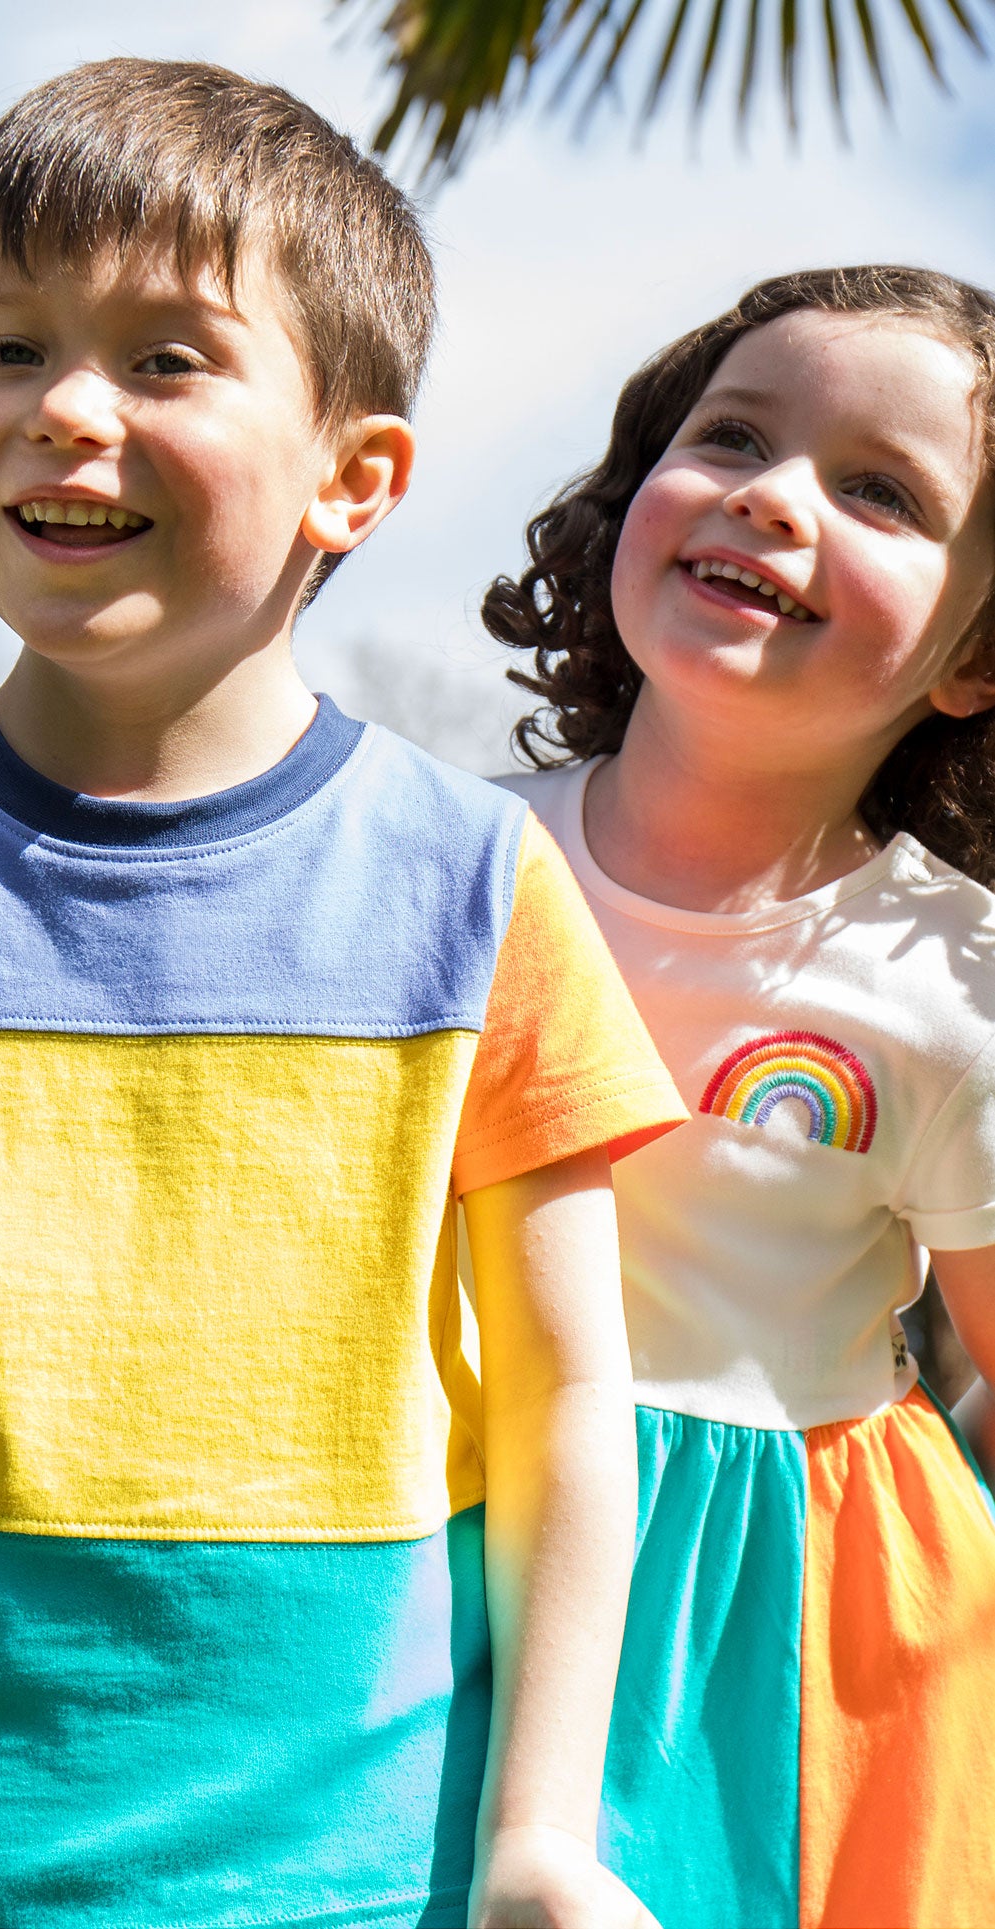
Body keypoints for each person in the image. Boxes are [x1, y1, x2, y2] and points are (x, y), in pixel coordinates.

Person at [0, 59, 686, 1929]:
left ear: (353, 479)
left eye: (165, 360)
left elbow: (569, 1401)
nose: (62, 414)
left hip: (385, 1883)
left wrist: (540, 1835)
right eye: (5, 345)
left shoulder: (478, 884)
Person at [489, 264, 995, 1929]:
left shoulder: (957, 983)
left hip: (801, 1625)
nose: (772, 498)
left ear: (975, 657)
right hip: (441, 1533)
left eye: (878, 491)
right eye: (730, 438)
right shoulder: (435, 858)